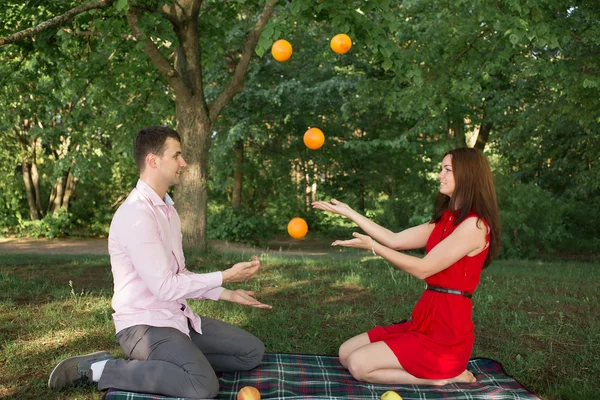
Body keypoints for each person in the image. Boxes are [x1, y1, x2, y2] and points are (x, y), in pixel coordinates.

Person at [48, 126, 271, 398]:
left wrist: (228, 293)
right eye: (177, 155)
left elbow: (181, 274)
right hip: (143, 327)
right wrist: (224, 276)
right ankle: (101, 369)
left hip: (177, 317)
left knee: (251, 353)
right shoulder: (136, 215)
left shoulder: (168, 210)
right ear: (153, 160)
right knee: (203, 386)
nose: (183, 162)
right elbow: (165, 287)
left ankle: (179, 362)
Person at [312, 147, 500, 386]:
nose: (440, 175)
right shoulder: (447, 219)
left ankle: (442, 378)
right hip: (425, 320)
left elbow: (423, 268)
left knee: (359, 364)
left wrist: (373, 247)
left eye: (447, 170)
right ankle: (439, 373)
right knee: (345, 352)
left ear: (468, 175)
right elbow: (395, 239)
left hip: (447, 330)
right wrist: (350, 213)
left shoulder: (474, 226)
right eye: (441, 169)